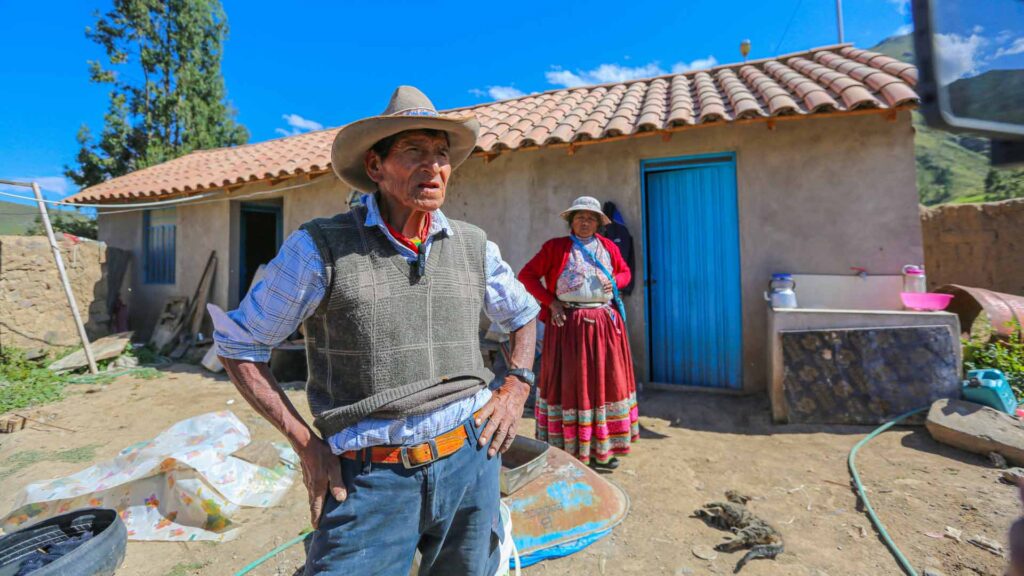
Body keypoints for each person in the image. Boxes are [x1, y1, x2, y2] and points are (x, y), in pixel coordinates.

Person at [211, 86, 539, 576]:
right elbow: (239, 343)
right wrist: (306, 444)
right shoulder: (321, 247)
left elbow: (524, 313)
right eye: (414, 152)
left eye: (442, 154)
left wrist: (515, 386)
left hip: (471, 461)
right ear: (375, 167)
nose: (434, 167)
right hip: (369, 478)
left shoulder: (473, 244)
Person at [518, 196, 639, 470]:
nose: (585, 222)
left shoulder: (608, 247)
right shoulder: (555, 248)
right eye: (580, 217)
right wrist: (551, 302)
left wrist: (615, 284)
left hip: (604, 327)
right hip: (568, 328)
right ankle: (568, 449)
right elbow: (526, 276)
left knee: (605, 385)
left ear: (598, 223)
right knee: (573, 385)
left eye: (591, 217)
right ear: (571, 221)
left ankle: (603, 450)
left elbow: (625, 273)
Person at [601, 200, 636, 296]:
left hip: (616, 285)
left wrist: (618, 283)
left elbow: (623, 262)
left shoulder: (619, 234)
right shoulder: (604, 235)